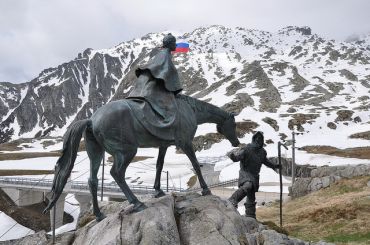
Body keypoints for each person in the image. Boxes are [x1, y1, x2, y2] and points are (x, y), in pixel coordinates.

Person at [126, 33, 183, 141]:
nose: (176, 45)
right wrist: (175, 89)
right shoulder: (165, 55)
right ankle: (167, 132)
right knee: (170, 108)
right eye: (174, 43)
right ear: (170, 44)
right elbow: (168, 72)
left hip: (151, 85)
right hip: (153, 88)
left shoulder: (162, 54)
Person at [227, 131, 279, 218]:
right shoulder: (247, 149)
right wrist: (233, 157)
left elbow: (266, 162)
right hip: (245, 173)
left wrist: (274, 165)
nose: (258, 140)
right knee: (248, 185)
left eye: (260, 139)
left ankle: (250, 215)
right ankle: (233, 200)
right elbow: (238, 157)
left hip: (255, 175)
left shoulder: (262, 152)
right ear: (254, 139)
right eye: (257, 138)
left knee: (251, 196)